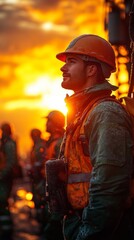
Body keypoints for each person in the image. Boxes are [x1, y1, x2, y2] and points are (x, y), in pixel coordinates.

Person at [52, 34, 134, 240]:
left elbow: (110, 184)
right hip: (82, 222)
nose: (63, 68)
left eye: (72, 61)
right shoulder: (83, 113)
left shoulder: (105, 113)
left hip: (105, 230)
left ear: (92, 69)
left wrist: (87, 234)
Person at [40, 110, 65, 240]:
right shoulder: (51, 142)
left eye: (48, 121)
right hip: (51, 193)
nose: (46, 124)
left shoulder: (60, 142)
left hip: (58, 197)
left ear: (55, 123)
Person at [0, 122, 18, 240]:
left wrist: (1, 175)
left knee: (2, 202)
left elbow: (11, 162)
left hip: (5, 179)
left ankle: (6, 232)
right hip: (4, 178)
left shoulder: (9, 144)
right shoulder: (5, 143)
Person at [29, 128, 47, 222]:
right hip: (36, 177)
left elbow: (42, 161)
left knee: (41, 199)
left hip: (40, 177)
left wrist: (36, 167)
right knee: (37, 198)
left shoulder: (41, 145)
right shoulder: (35, 145)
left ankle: (42, 220)